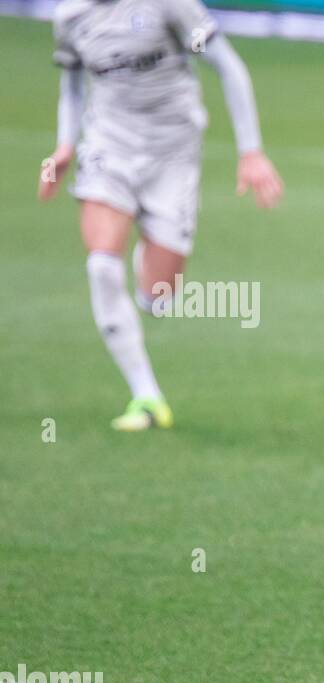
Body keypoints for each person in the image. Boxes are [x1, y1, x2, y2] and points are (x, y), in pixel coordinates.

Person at [39, 0, 283, 431]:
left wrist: (252, 151)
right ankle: (146, 397)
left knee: (158, 299)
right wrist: (64, 145)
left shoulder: (168, 6)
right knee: (101, 266)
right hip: (108, 147)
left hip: (173, 154)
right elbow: (73, 84)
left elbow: (228, 66)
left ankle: (150, 258)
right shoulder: (71, 16)